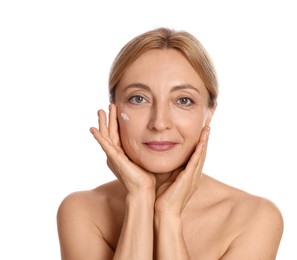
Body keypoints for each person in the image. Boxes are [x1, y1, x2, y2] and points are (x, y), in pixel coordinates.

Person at [57, 27, 283, 260]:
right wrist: (139, 198)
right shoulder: (81, 211)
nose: (160, 123)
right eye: (138, 99)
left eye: (183, 100)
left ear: (209, 113)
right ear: (113, 110)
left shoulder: (253, 218)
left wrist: (168, 215)